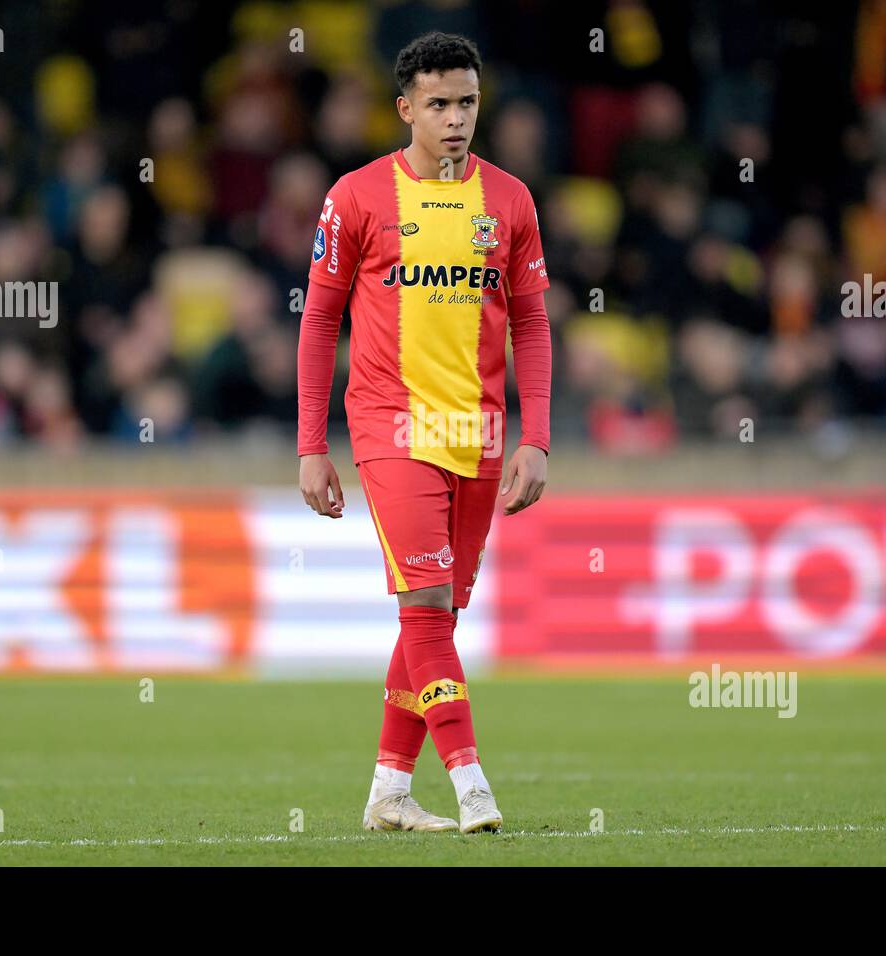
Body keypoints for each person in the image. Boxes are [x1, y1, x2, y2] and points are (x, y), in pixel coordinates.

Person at [296, 31, 552, 833]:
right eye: (438, 104)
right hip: (390, 424)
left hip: (476, 432)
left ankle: (388, 793)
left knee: (432, 617)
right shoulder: (357, 197)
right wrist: (311, 444)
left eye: (467, 102)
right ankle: (473, 784)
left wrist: (537, 436)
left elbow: (534, 324)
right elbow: (319, 322)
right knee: (431, 602)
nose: (454, 119)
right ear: (405, 108)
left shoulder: (508, 201)